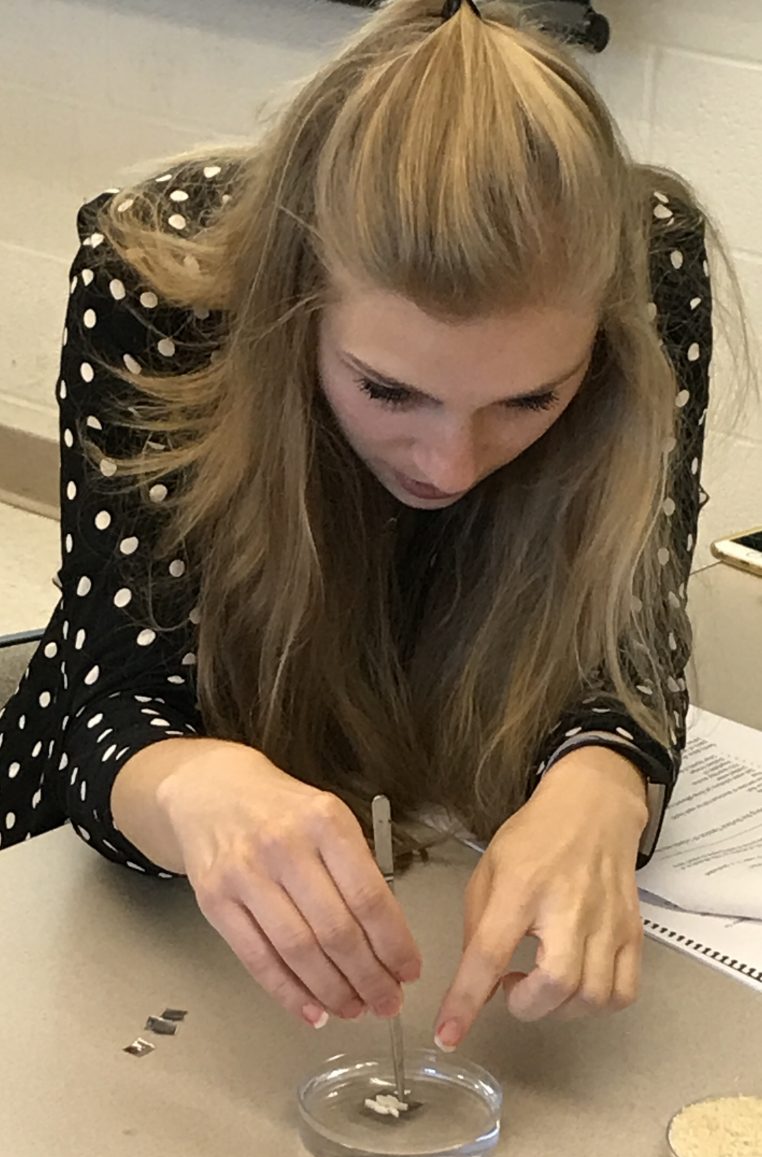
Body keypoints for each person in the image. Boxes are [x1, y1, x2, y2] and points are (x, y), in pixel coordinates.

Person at [0, 0, 750, 1052]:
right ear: (290, 311)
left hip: (444, 823)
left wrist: (602, 785)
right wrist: (199, 785)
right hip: (134, 910)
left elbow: (630, 634)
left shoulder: (647, 257)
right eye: (389, 392)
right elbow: (109, 696)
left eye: (531, 400)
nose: (450, 463)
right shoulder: (161, 273)